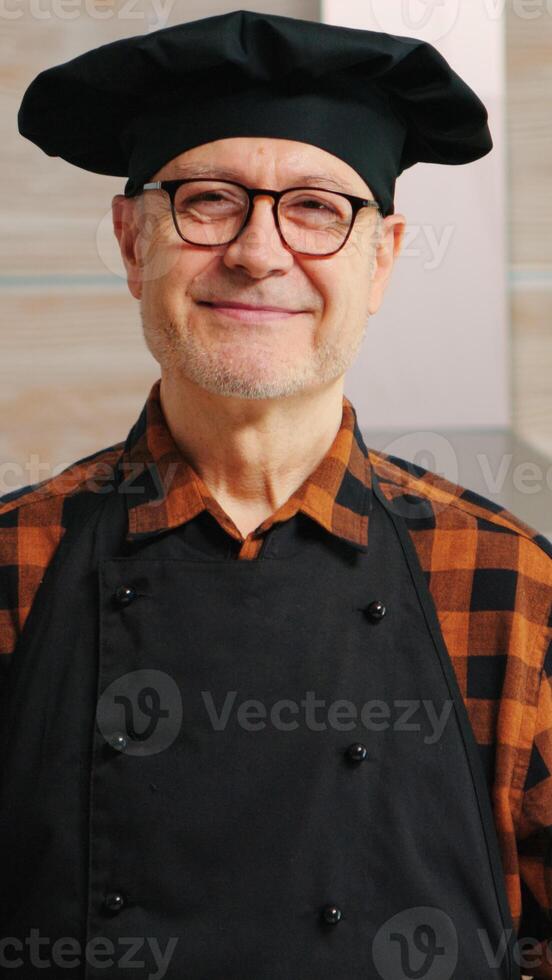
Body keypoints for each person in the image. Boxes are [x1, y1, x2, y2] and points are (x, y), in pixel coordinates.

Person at [2, 9, 551, 979]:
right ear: (133, 243)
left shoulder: (510, 582)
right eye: (209, 200)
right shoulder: (14, 560)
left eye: (316, 208)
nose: (259, 253)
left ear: (381, 260)